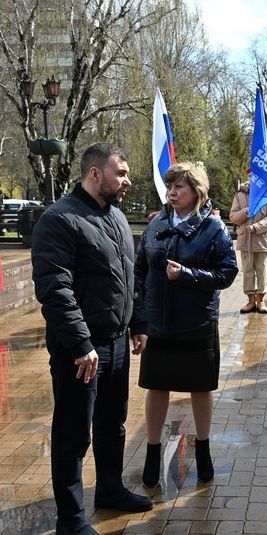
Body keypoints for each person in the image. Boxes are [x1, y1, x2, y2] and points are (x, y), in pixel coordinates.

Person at [32, 143, 153, 535]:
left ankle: (111, 490)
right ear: (95, 174)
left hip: (117, 343)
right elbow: (55, 289)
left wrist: (138, 322)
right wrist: (81, 343)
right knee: (72, 433)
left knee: (112, 424)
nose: (127, 180)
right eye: (121, 172)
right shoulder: (59, 219)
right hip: (81, 350)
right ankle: (71, 520)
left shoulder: (117, 218)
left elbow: (128, 277)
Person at [135, 162, 238, 488]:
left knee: (200, 387)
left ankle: (204, 449)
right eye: (170, 186)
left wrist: (188, 275)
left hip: (196, 323)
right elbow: (139, 272)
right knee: (157, 386)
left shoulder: (213, 229)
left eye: (179, 186)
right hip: (159, 324)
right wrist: (139, 318)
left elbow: (227, 272)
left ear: (197, 191)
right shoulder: (155, 225)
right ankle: (152, 453)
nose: (172, 191)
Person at [229, 172, 267, 314]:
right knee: (248, 270)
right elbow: (233, 217)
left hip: (262, 240)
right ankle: (250, 301)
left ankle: (261, 300)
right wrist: (246, 211)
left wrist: (257, 227)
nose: (253, 178)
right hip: (245, 239)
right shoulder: (240, 195)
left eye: (256, 175)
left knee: (262, 270)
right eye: (251, 176)